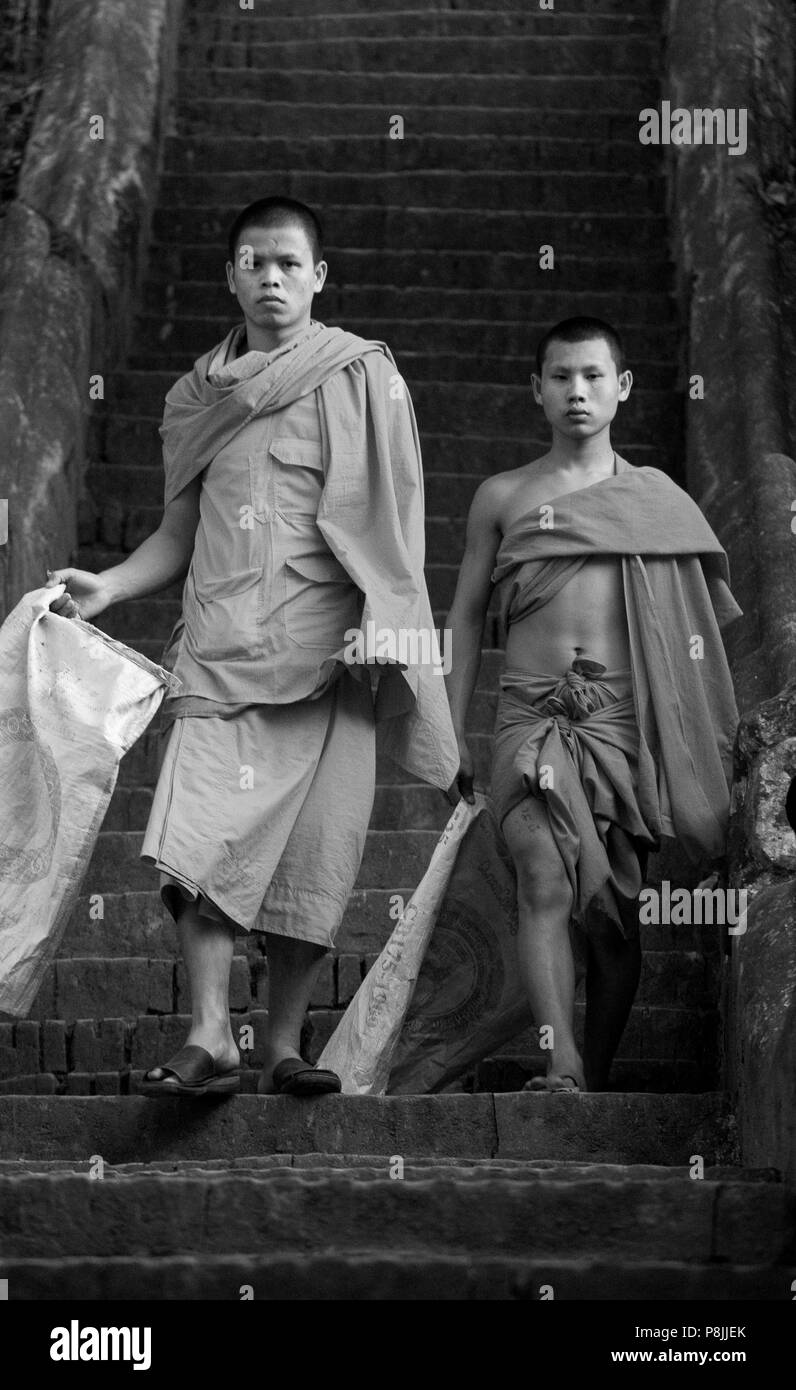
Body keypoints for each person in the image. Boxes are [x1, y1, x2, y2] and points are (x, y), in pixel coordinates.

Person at [46, 195, 458, 1097]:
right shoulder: (197, 399)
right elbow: (180, 528)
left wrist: (381, 625)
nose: (270, 278)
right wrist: (110, 587)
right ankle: (209, 1034)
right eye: (252, 262)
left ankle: (281, 1046)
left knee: (317, 856)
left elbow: (397, 520)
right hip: (222, 649)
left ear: (319, 277)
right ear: (231, 275)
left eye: (287, 263)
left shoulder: (361, 376)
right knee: (192, 839)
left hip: (333, 658)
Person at [444, 316, 740, 1093]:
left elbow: (691, 628)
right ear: (536, 389)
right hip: (527, 718)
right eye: (561, 377)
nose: (577, 392)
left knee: (612, 913)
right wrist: (450, 727)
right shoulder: (501, 497)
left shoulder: (656, 502)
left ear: (623, 388)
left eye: (593, 376)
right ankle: (563, 1064)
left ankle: (596, 1074)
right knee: (544, 874)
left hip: (615, 724)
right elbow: (467, 616)